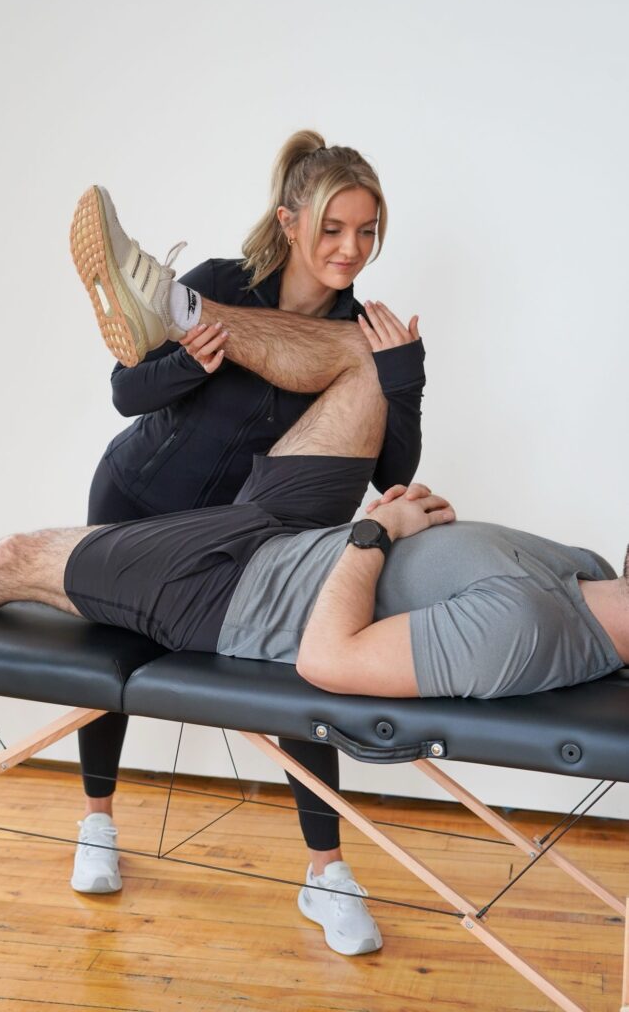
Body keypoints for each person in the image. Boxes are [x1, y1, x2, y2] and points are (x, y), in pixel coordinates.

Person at [0, 287, 627, 957]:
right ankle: (175, 303)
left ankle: (168, 301)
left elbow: (327, 660)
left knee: (15, 558)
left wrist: (374, 531)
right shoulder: (586, 569)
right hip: (280, 528)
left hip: (227, 588)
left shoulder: (527, 632)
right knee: (363, 361)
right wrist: (403, 519)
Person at [69, 130, 426, 935]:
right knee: (101, 664)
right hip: (136, 495)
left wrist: (403, 373)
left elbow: (388, 468)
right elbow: (128, 391)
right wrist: (188, 365)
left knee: (301, 682)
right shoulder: (218, 286)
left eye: (367, 232)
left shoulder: (362, 336)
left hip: (239, 538)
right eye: (333, 228)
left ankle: (327, 876)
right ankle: (96, 822)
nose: (351, 248)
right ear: (290, 222)